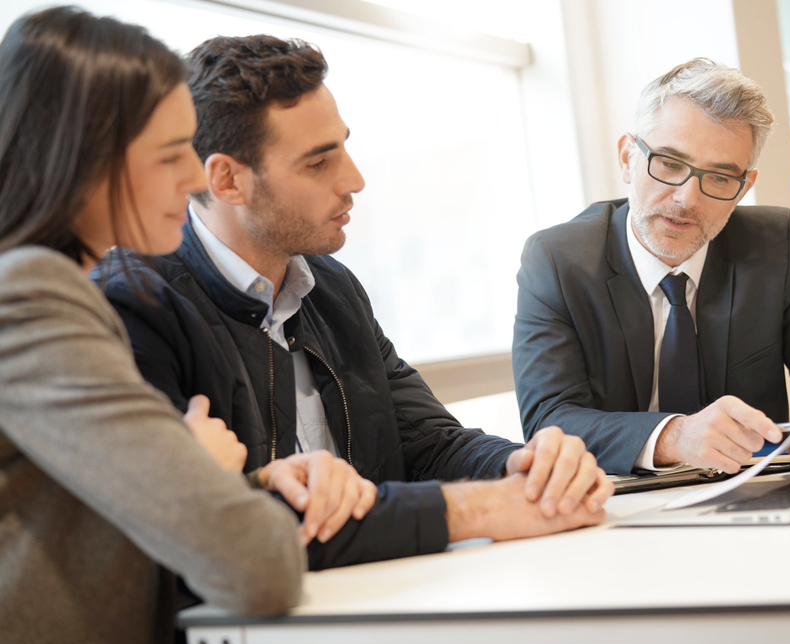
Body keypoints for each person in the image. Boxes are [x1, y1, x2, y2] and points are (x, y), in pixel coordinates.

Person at [99, 34, 614, 571]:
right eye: (319, 163)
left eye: (343, 147)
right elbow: (225, 530)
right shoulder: (133, 306)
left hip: (378, 598)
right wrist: (480, 509)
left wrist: (526, 468)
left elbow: (429, 444)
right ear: (227, 179)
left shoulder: (330, 286)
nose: (355, 180)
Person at [0, 8, 336, 644]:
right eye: (168, 154)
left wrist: (222, 475)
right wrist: (208, 470)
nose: (192, 180)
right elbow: (255, 567)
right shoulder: (35, 295)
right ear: (83, 158)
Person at [513, 58, 790, 477]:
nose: (687, 199)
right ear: (628, 157)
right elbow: (548, 422)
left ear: (745, 187)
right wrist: (675, 435)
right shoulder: (556, 260)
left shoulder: (779, 244)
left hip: (754, 494)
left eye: (720, 178)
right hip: (617, 508)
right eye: (669, 164)